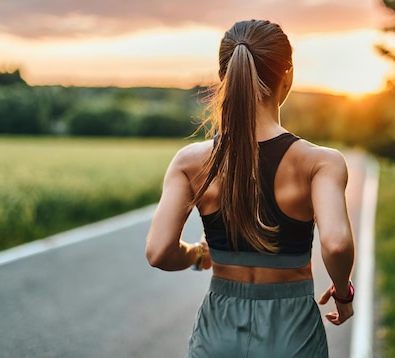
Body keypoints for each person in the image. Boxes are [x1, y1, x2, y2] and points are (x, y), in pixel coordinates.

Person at [145, 19, 355, 358]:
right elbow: (336, 243)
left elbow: (158, 252)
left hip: (218, 333)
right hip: (292, 333)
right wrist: (343, 294)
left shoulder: (190, 162)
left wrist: (199, 254)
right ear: (287, 76)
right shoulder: (321, 162)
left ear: (222, 78)